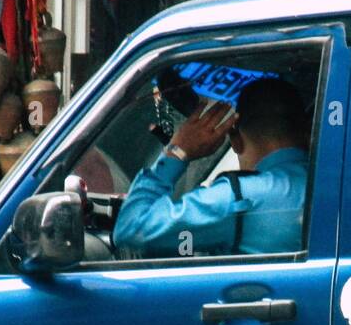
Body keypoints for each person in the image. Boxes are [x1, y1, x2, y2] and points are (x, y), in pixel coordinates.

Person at [113, 76, 309, 257]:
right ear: (308, 134)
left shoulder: (235, 197)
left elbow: (131, 230)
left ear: (235, 140)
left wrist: (177, 151)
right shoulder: (334, 186)